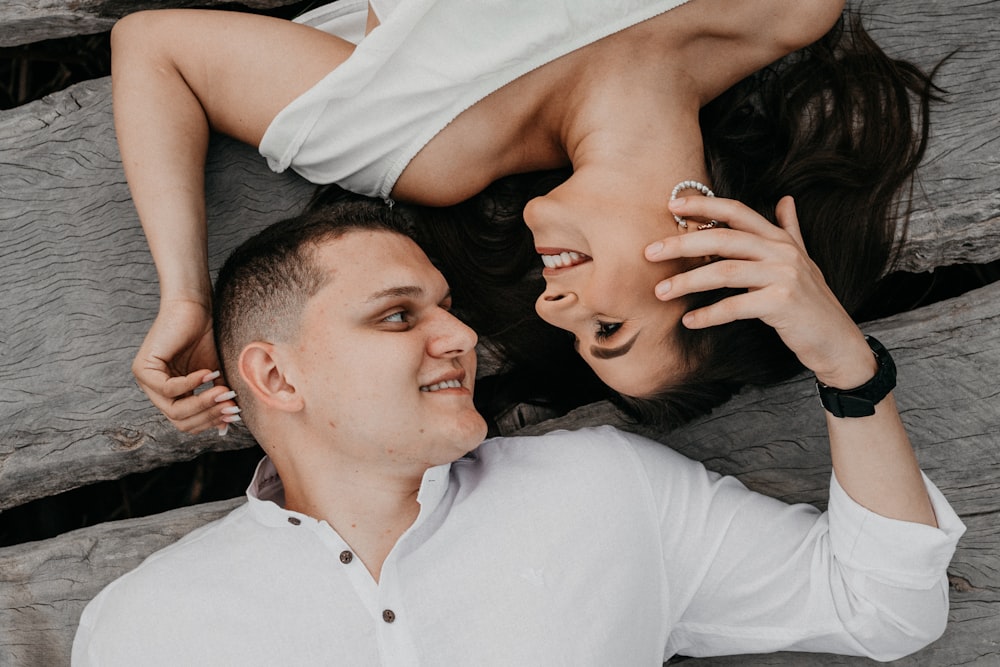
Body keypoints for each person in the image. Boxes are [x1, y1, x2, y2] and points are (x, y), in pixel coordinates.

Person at [73, 198, 964, 664]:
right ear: (274, 375)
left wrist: (845, 364)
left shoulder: (605, 493)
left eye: (449, 308)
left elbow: (884, 607)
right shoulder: (145, 628)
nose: (460, 336)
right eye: (396, 317)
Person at [111, 0, 938, 433]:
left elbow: (157, 50)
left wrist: (187, 295)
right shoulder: (782, 11)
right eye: (607, 327)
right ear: (716, 257)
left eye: (576, 338)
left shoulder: (429, 143)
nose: (551, 306)